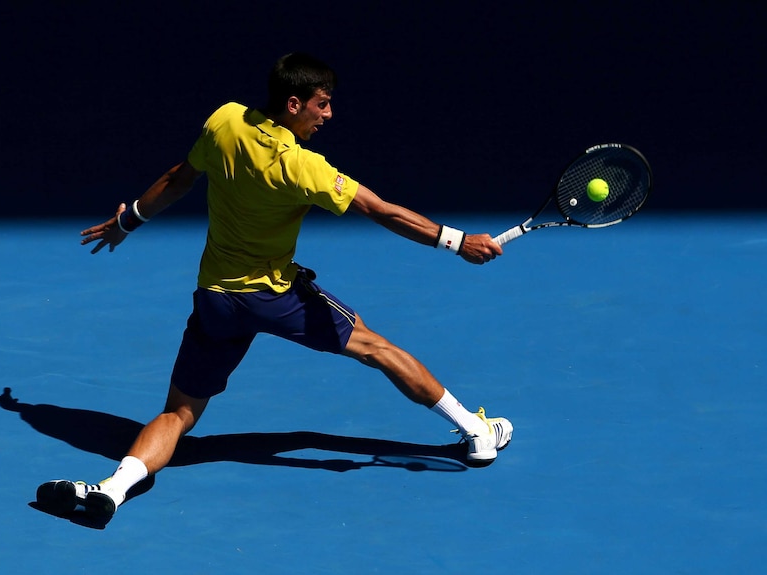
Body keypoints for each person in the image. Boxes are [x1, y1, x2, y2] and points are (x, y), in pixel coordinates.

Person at [36, 52, 512, 522]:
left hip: (216, 301)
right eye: (321, 104)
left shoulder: (223, 121)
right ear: (292, 103)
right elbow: (381, 210)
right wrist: (457, 241)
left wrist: (129, 219)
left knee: (178, 413)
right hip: (275, 298)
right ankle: (476, 432)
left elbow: (178, 179)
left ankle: (111, 489)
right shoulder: (305, 167)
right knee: (376, 348)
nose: (328, 114)